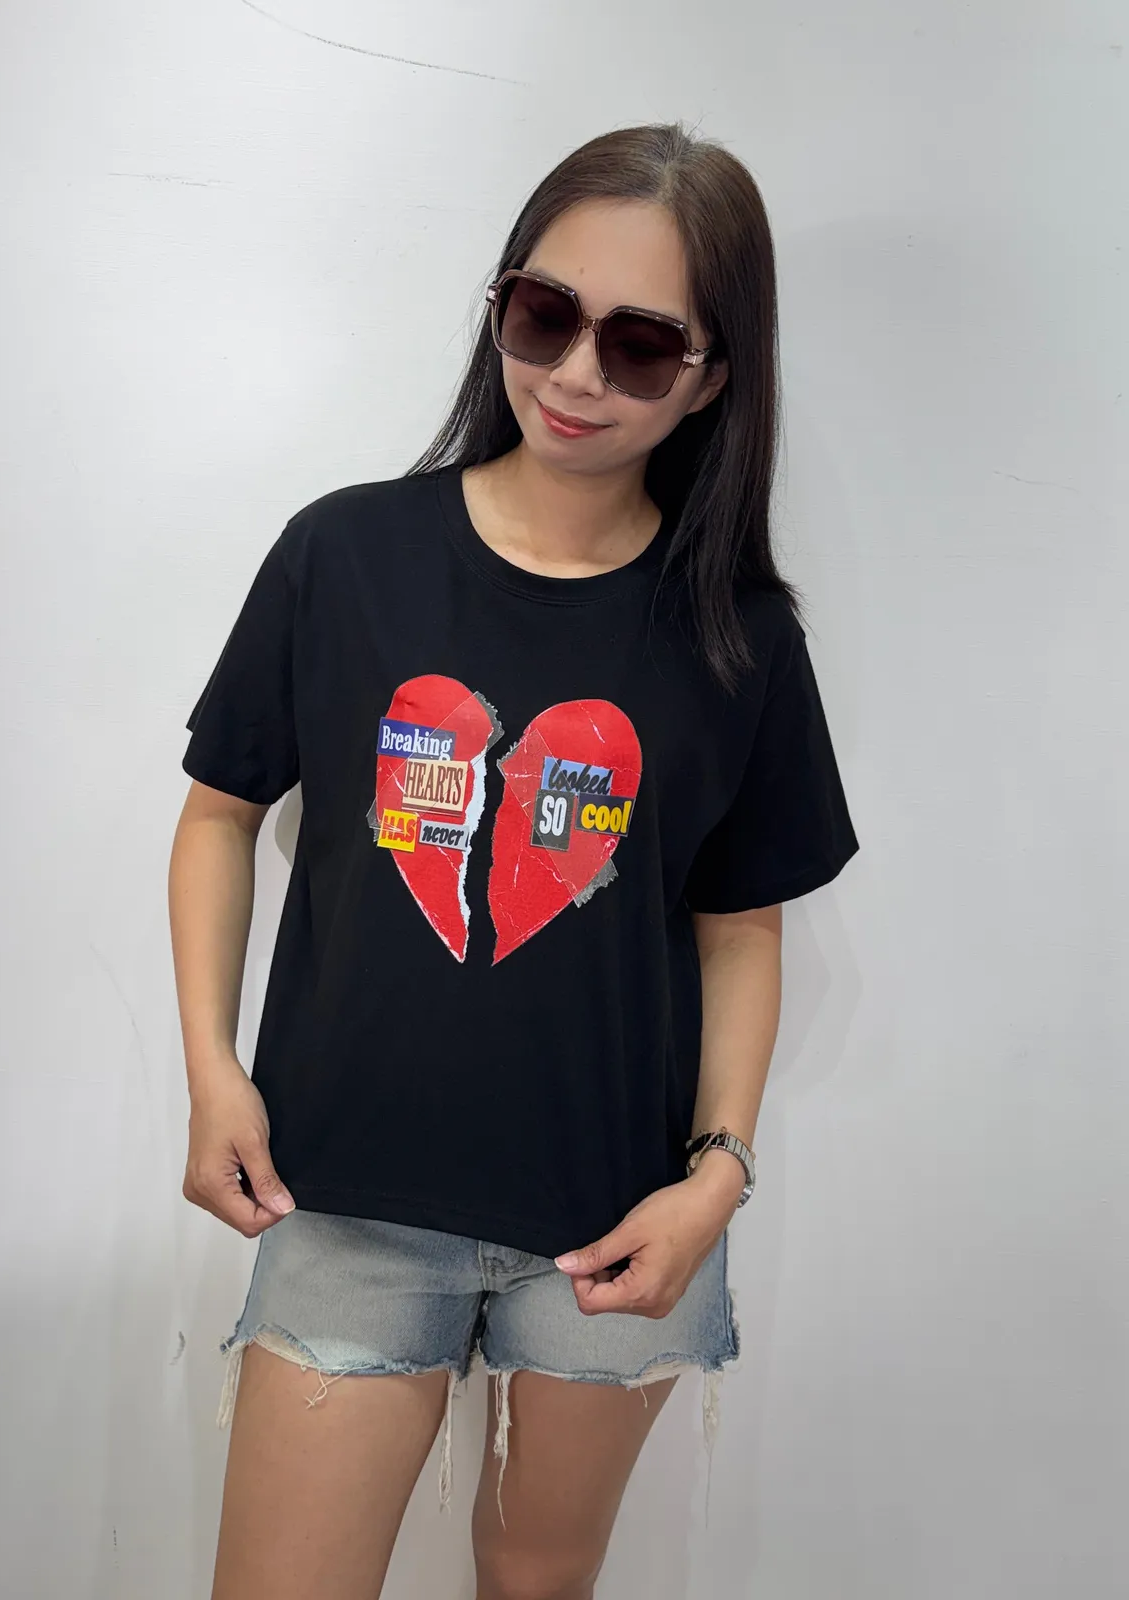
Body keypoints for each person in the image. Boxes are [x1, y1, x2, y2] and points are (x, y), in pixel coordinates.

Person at [168, 120, 859, 1600]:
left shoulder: (740, 637)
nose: (578, 375)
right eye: (545, 314)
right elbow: (219, 812)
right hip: (342, 1197)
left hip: (614, 1230)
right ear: (501, 306)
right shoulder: (344, 557)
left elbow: (740, 923)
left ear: (712, 377)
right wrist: (213, 1070)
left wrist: (720, 1175)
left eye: (642, 344)